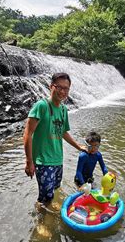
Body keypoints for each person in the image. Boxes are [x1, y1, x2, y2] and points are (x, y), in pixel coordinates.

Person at [23, 72, 85, 208]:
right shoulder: (41, 106)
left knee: (55, 190)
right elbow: (27, 134)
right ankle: (41, 224)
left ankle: (48, 213)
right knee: (45, 198)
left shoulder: (63, 109)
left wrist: (78, 146)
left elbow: (63, 132)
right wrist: (29, 161)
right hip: (43, 161)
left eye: (66, 88)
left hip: (58, 160)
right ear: (51, 86)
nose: (62, 91)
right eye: (59, 87)